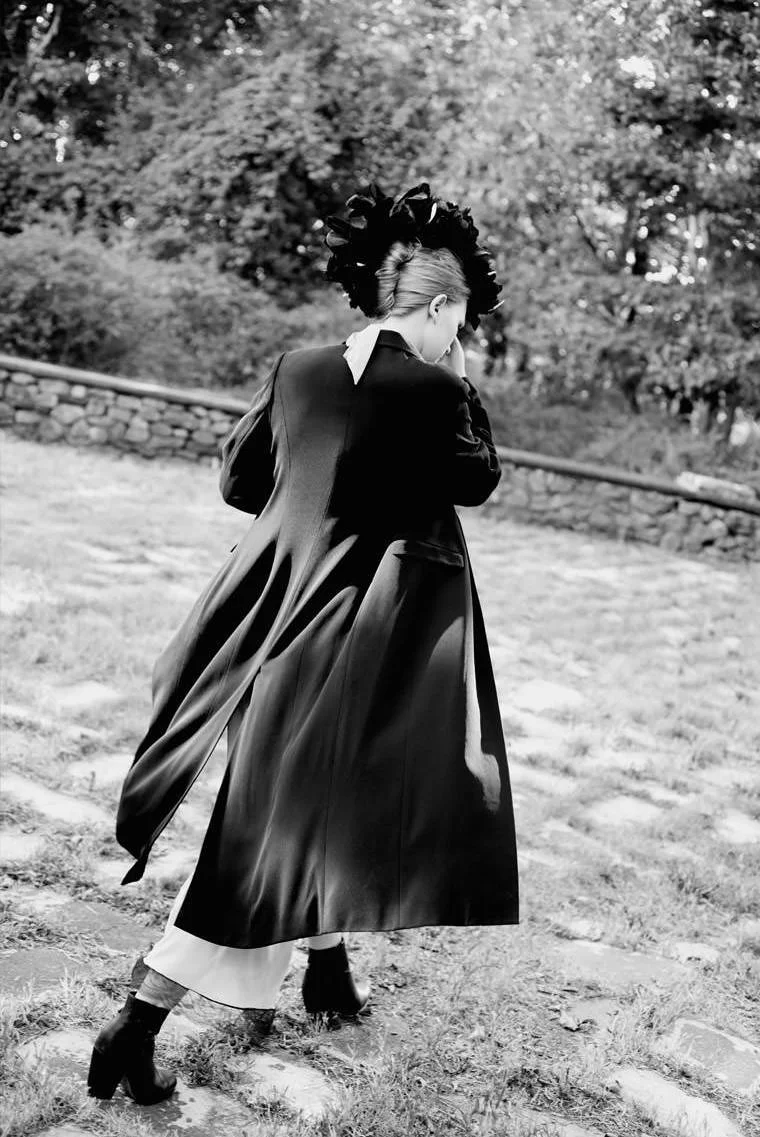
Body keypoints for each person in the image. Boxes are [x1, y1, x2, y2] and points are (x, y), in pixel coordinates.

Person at [87, 180, 519, 1105]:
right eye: (461, 319)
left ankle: (327, 973)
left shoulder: (299, 369)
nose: (461, 335)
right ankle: (137, 1021)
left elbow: (243, 484)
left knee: (321, 805)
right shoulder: (436, 387)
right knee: (263, 843)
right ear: (440, 308)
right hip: (358, 642)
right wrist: (460, 385)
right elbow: (477, 479)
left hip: (269, 629)